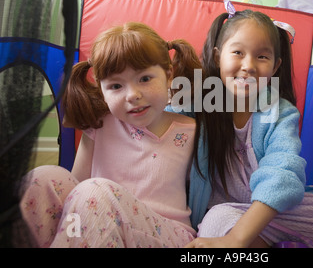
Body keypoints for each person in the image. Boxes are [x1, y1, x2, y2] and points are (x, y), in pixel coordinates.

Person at [183, 1, 313, 248]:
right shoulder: (198, 105)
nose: (248, 65)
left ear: (275, 66)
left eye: (261, 56)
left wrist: (238, 238)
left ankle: (252, 241)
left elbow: (282, 172)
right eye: (238, 52)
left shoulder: (281, 112)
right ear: (218, 57)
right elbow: (160, 119)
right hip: (223, 217)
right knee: (216, 220)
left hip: (274, 212)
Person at [20, 22, 203, 248]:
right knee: (43, 178)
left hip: (166, 236)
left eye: (145, 79)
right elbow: (75, 188)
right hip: (98, 225)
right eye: (116, 86)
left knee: (94, 192)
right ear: (101, 89)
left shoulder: (191, 130)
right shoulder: (99, 125)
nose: (133, 95)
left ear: (168, 75)